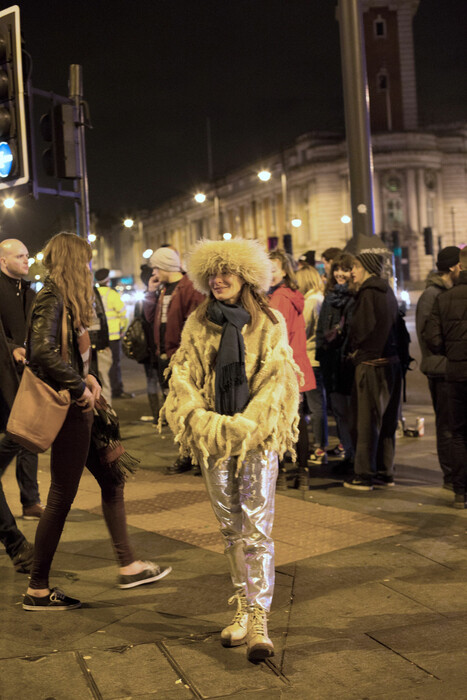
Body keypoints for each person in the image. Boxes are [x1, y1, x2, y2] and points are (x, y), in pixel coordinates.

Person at [161, 238, 300, 661]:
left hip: (256, 439)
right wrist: (202, 420)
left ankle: (259, 617)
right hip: (213, 441)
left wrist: (246, 425)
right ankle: (241, 605)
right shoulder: (197, 323)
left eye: (228, 272)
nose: (219, 279)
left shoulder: (270, 321)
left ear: (246, 277)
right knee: (229, 530)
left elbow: (278, 380)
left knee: (257, 530)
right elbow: (182, 376)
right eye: (213, 274)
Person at [23, 233, 170, 612]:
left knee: (112, 479)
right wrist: (77, 384)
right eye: (85, 261)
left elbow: (70, 355)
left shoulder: (65, 299)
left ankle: (129, 565)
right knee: (60, 496)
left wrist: (87, 379)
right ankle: (37, 588)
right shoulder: (52, 297)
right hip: (70, 410)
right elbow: (41, 351)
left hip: (82, 406)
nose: (88, 268)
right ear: (75, 262)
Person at [144, 246, 204, 474]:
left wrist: (185, 354)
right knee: (174, 408)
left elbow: (195, 324)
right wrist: (150, 293)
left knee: (190, 407)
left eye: (156, 267)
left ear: (164, 266)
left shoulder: (188, 287)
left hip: (181, 357)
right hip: (165, 357)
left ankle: (197, 455)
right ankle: (185, 453)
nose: (154, 272)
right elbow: (150, 318)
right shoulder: (163, 289)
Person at [344, 253, 401, 491]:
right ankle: (385, 471)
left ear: (366, 268)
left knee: (365, 421)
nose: (351, 272)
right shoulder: (387, 291)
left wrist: (355, 352)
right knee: (387, 421)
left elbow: (363, 329)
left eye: (355, 267)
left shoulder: (367, 292)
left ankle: (364, 475)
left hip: (370, 364)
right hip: (391, 363)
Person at [0, 238, 43, 519]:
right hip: (3, 374)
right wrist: (12, 346)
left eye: (27, 255)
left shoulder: (28, 289)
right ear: (3, 261)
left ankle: (30, 501)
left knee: (27, 433)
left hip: (26, 373)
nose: (27, 260)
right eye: (19, 256)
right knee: (15, 434)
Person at [268, 249, 315, 490]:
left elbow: (274, 336)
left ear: (285, 270)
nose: (269, 273)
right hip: (298, 366)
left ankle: (281, 473)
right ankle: (303, 473)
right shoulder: (293, 294)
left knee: (279, 420)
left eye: (273, 269)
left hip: (282, 367)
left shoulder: (278, 298)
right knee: (299, 420)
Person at [424, 247, 467, 509]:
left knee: (459, 432)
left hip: (457, 373)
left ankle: (461, 492)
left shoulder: (444, 299)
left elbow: (434, 339)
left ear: (460, 266)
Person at [416, 246, 460, 490]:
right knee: (446, 426)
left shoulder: (445, 292)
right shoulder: (432, 295)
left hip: (447, 366)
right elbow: (428, 336)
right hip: (439, 368)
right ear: (453, 267)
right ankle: (450, 475)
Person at [315, 253, 356, 468]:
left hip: (347, 363)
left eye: (345, 269)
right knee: (339, 412)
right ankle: (348, 453)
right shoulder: (330, 296)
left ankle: (356, 456)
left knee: (351, 412)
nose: (340, 273)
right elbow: (321, 329)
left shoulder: (355, 296)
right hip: (331, 362)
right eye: (337, 269)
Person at [296, 265, 328, 465]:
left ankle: (319, 447)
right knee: (317, 405)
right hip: (316, 357)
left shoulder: (311, 301)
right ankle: (320, 445)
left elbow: (303, 330)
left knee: (315, 406)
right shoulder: (319, 298)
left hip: (310, 357)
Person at [94, 268, 132, 400]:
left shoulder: (94, 294)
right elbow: (123, 314)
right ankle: (117, 390)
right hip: (114, 336)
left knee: (102, 366)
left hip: (100, 337)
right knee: (115, 364)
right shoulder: (112, 294)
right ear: (108, 280)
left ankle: (103, 390)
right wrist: (123, 329)